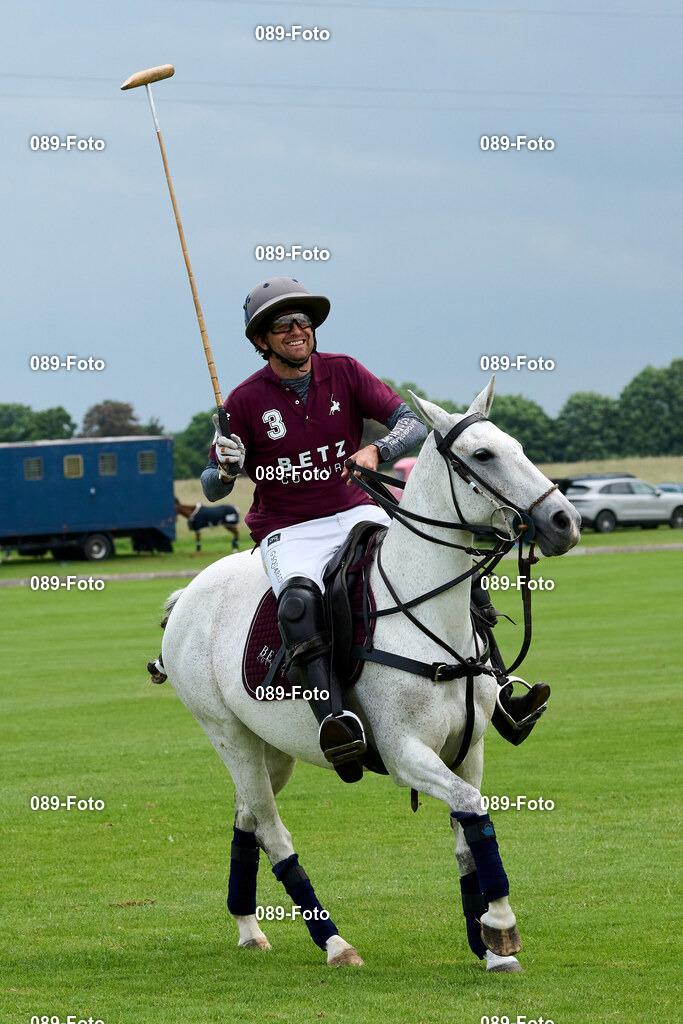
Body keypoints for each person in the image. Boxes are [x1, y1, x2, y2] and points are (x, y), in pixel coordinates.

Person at [201, 277, 547, 781]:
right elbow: (211, 486)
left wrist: (378, 450)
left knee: (450, 562)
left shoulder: (343, 372)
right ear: (261, 340)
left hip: (356, 509)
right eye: (283, 325)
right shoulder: (244, 401)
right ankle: (335, 720)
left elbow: (408, 421)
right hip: (289, 528)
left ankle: (498, 688)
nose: (298, 331)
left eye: (304, 321)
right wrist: (228, 468)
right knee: (298, 602)